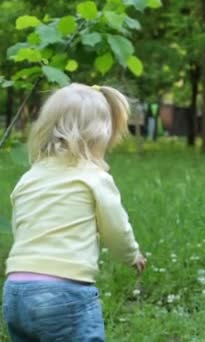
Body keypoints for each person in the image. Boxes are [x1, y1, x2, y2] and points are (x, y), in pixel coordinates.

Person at [2, 83, 147, 341]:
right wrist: (131, 255)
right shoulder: (93, 177)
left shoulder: (29, 177)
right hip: (64, 292)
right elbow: (116, 228)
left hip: (15, 290)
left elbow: (21, 225)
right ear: (102, 133)